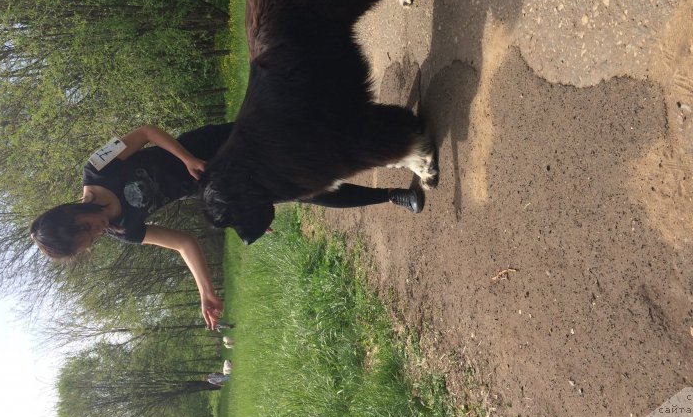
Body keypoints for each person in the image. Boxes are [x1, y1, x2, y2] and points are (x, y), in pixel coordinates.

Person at [30, 123, 425, 329]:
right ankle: (391, 194)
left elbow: (147, 133)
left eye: (85, 231)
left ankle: (383, 136)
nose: (95, 235)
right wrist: (206, 292)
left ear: (70, 215)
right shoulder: (122, 231)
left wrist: (185, 157)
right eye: (89, 244)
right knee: (307, 189)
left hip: (207, 148)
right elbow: (183, 244)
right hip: (219, 186)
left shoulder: (96, 167)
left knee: (293, 141)